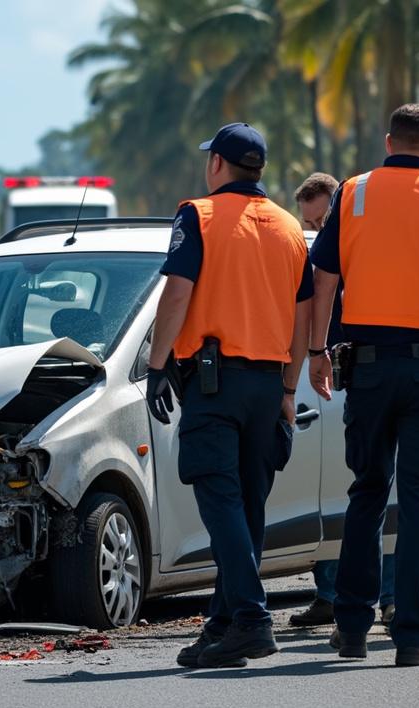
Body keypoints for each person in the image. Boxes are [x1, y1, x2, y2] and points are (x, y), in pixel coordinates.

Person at [308, 103, 419, 667]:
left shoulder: (353, 193)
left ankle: (353, 627)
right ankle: (411, 635)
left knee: (365, 493)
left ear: (389, 141)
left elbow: (325, 275)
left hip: (365, 366)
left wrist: (317, 350)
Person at [147, 122, 313, 669]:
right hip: (268, 384)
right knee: (247, 507)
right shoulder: (290, 227)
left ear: (217, 164)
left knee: (219, 500)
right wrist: (290, 386)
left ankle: (251, 619)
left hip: (214, 384)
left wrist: (155, 363)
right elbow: (304, 314)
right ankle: (222, 628)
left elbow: (177, 292)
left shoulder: (198, 215)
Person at [289, 172, 398, 629]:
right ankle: (330, 592)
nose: (316, 233)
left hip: (368, 375)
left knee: (379, 493)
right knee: (332, 492)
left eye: (322, 220)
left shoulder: (367, 251)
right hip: (326, 381)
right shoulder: (313, 258)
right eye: (309, 225)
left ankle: (391, 596)